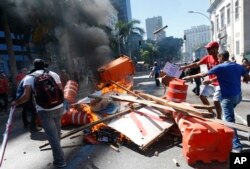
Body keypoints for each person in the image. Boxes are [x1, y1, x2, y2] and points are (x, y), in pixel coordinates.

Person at [183, 50, 250, 153]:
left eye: (219, 58)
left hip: (227, 98)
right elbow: (247, 77)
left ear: (221, 57)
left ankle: (237, 147)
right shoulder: (237, 66)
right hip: (238, 97)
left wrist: (189, 77)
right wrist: (243, 79)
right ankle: (225, 119)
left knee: (229, 121)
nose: (218, 60)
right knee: (228, 114)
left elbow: (202, 74)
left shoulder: (220, 67)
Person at [12, 58, 66, 168]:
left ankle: (60, 162)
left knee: (52, 137)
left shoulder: (29, 77)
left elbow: (26, 97)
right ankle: (58, 153)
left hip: (44, 110)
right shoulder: (53, 74)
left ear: (34, 66)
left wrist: (16, 103)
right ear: (44, 65)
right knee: (57, 133)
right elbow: (61, 90)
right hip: (59, 107)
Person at [180, 41, 222, 119]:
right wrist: (185, 67)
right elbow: (196, 64)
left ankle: (219, 118)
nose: (208, 50)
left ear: (216, 49)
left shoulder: (220, 59)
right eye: (207, 49)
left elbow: (223, 75)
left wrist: (211, 80)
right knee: (202, 96)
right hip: (212, 83)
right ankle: (211, 112)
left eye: (209, 49)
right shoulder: (207, 57)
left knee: (216, 101)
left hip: (220, 83)